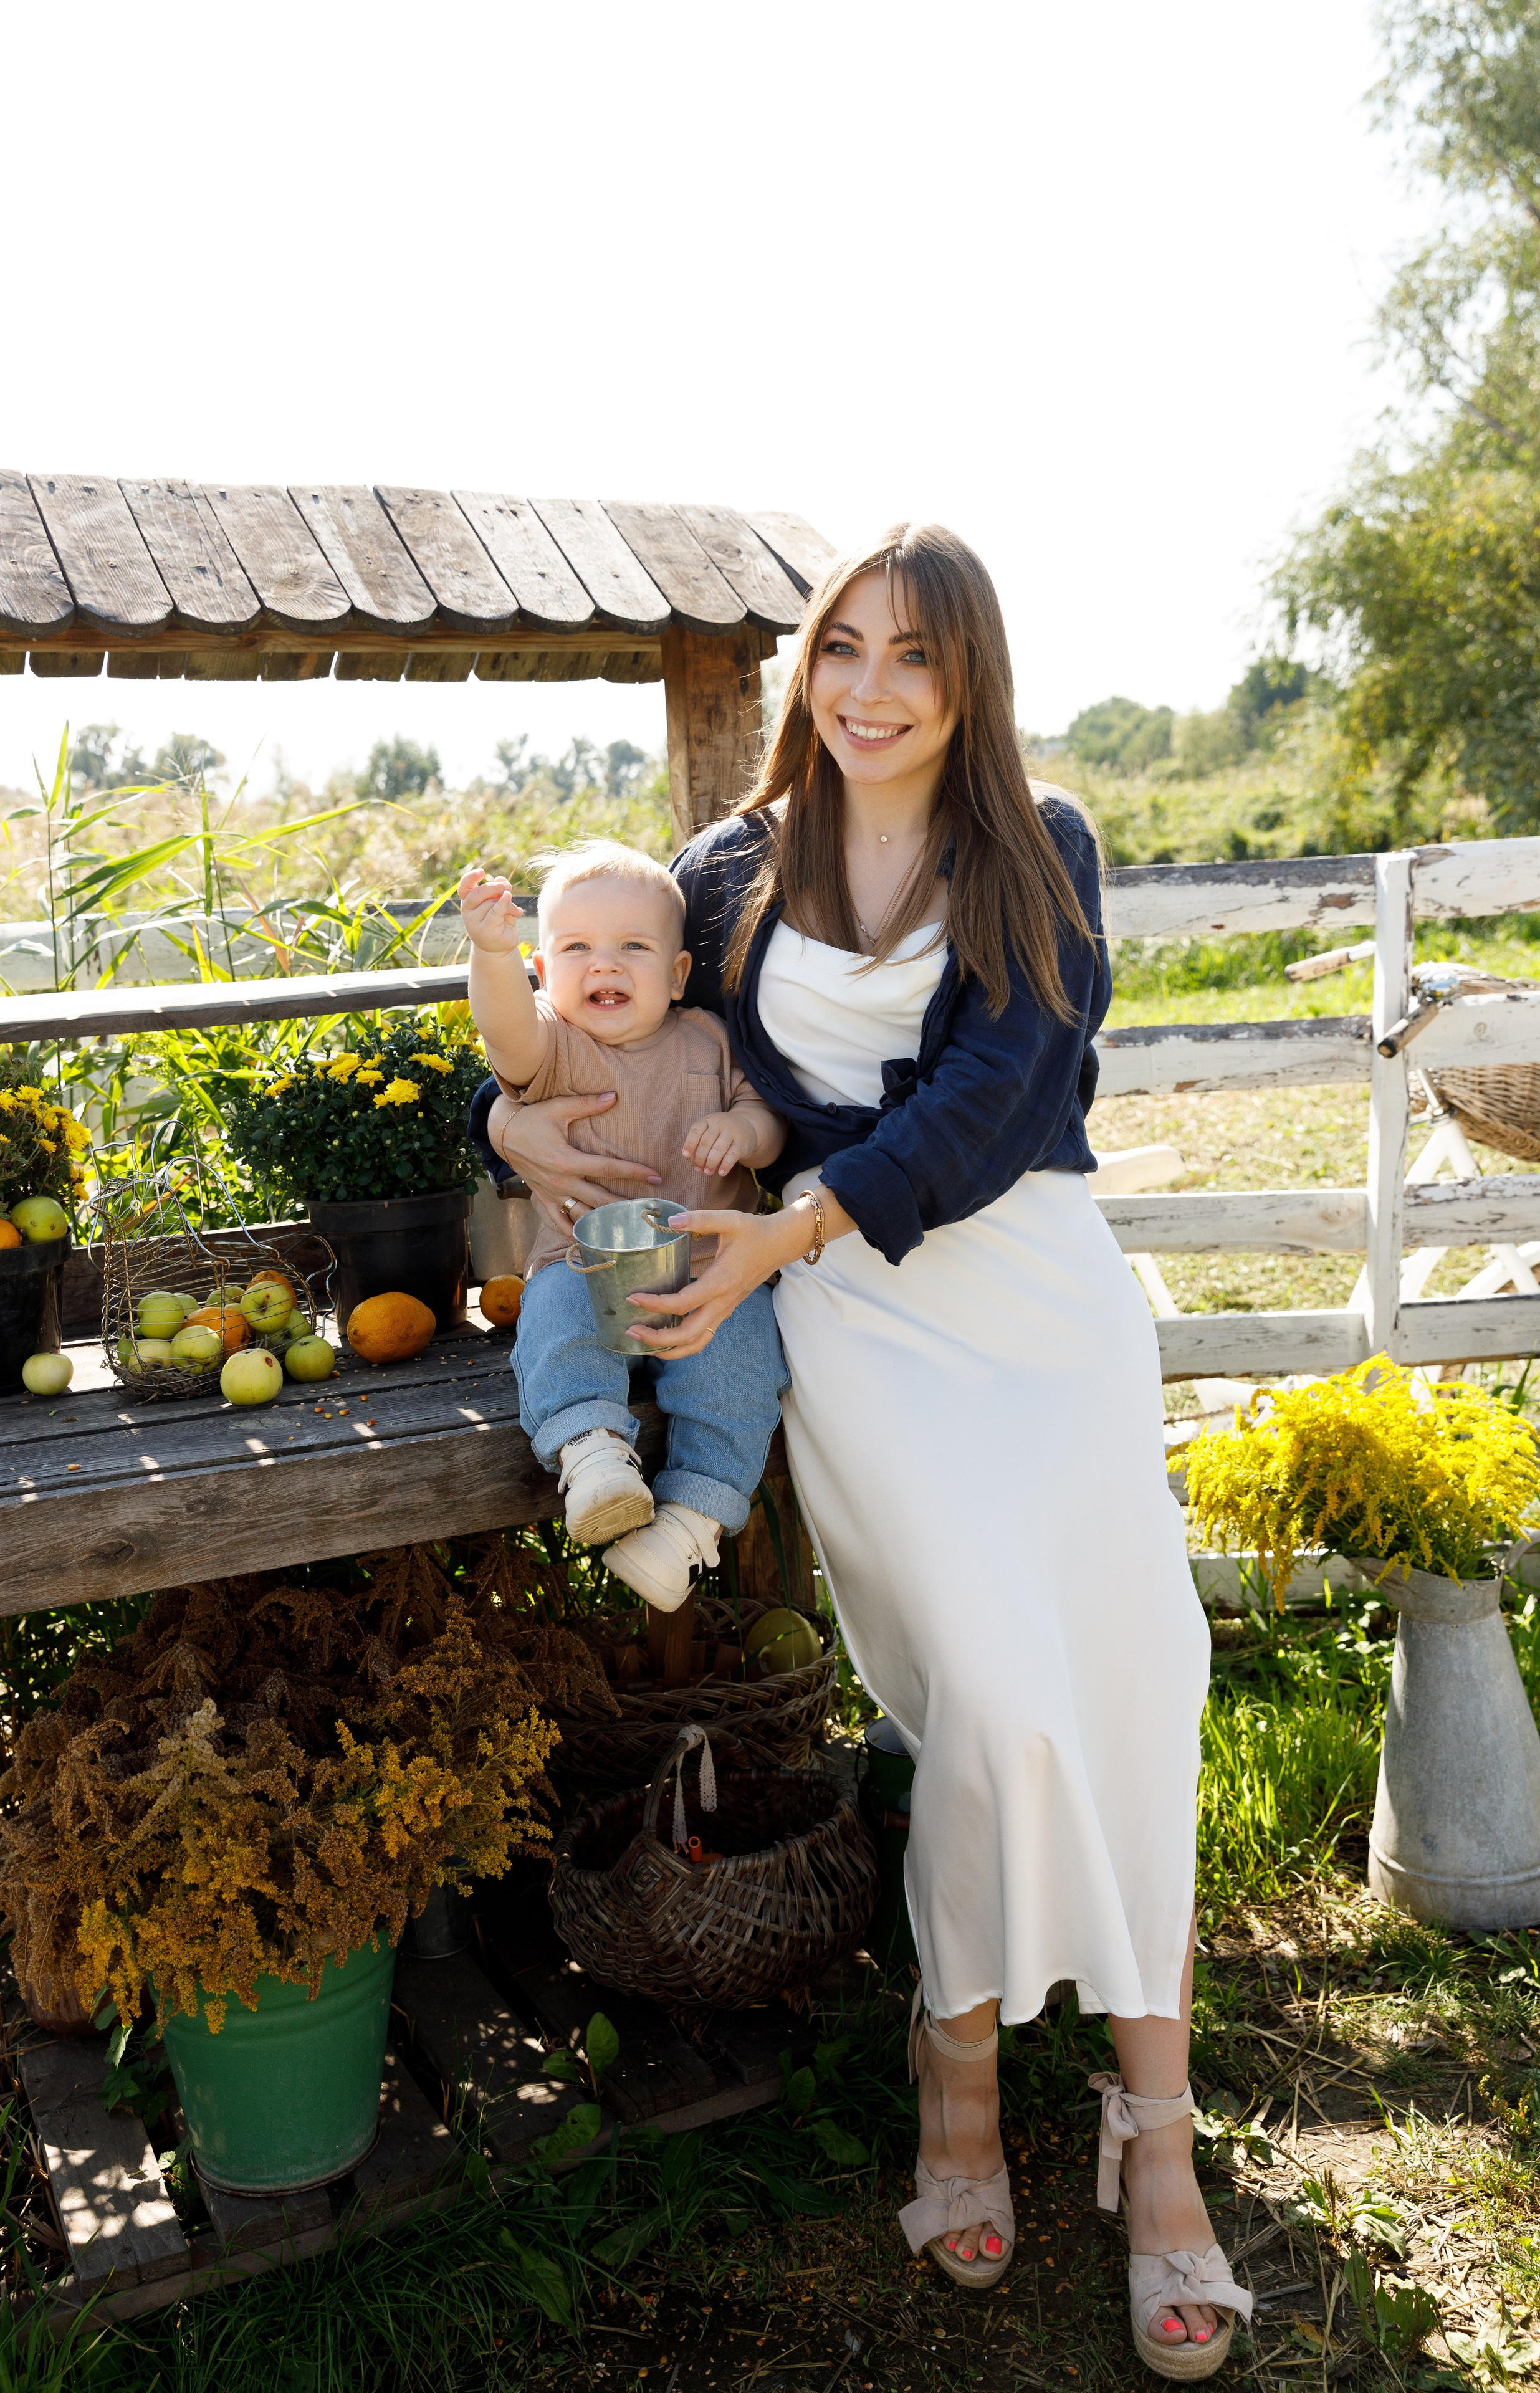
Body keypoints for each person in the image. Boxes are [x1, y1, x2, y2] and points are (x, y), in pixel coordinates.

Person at [472, 525, 1250, 2376]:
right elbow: (595, 1023)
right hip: (860, 1330)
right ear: (804, 666)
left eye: (915, 655)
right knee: (987, 1694)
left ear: (967, 678)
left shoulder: (1031, 842)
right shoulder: (724, 868)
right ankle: (956, 2059)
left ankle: (1159, 2135)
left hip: (1032, 1304)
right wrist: (518, 1130)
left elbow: (1010, 1094)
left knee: (1140, 1674)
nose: (873, 689)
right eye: (844, 649)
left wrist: (792, 1224)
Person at [459, 839, 789, 1610]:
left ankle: (689, 1526)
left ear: (677, 976)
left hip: (713, 1270)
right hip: (585, 1264)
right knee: (555, 1321)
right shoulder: (552, 1047)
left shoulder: (710, 1037)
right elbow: (504, 1029)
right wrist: (492, 954)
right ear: (545, 972)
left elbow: (765, 1115)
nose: (603, 965)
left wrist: (745, 1132)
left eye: (632, 948)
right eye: (576, 948)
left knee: (741, 1377)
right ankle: (592, 1454)